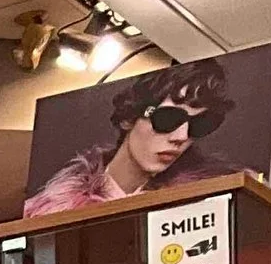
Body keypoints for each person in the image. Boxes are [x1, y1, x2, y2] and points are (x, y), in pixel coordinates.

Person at [23, 59, 236, 216]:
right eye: (168, 118)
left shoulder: (204, 201)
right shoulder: (53, 210)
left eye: (200, 125)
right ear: (129, 118)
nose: (181, 137)